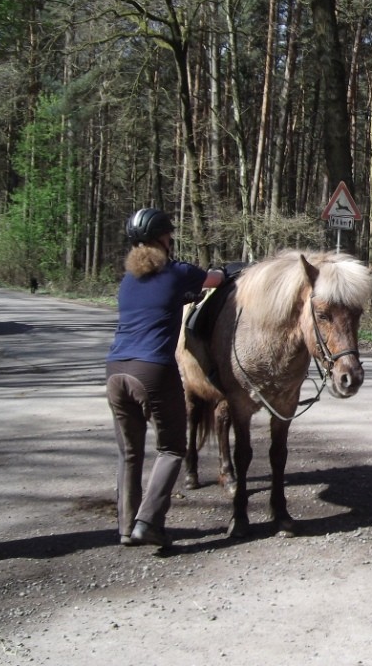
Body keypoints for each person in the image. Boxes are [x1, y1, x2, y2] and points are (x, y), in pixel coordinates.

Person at [106, 207, 224, 547]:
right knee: (172, 448)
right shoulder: (177, 271)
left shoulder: (128, 280)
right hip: (153, 369)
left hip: (115, 370)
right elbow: (212, 280)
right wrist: (221, 272)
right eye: (169, 235)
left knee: (129, 453)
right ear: (162, 238)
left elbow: (158, 304)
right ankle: (149, 521)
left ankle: (127, 528)